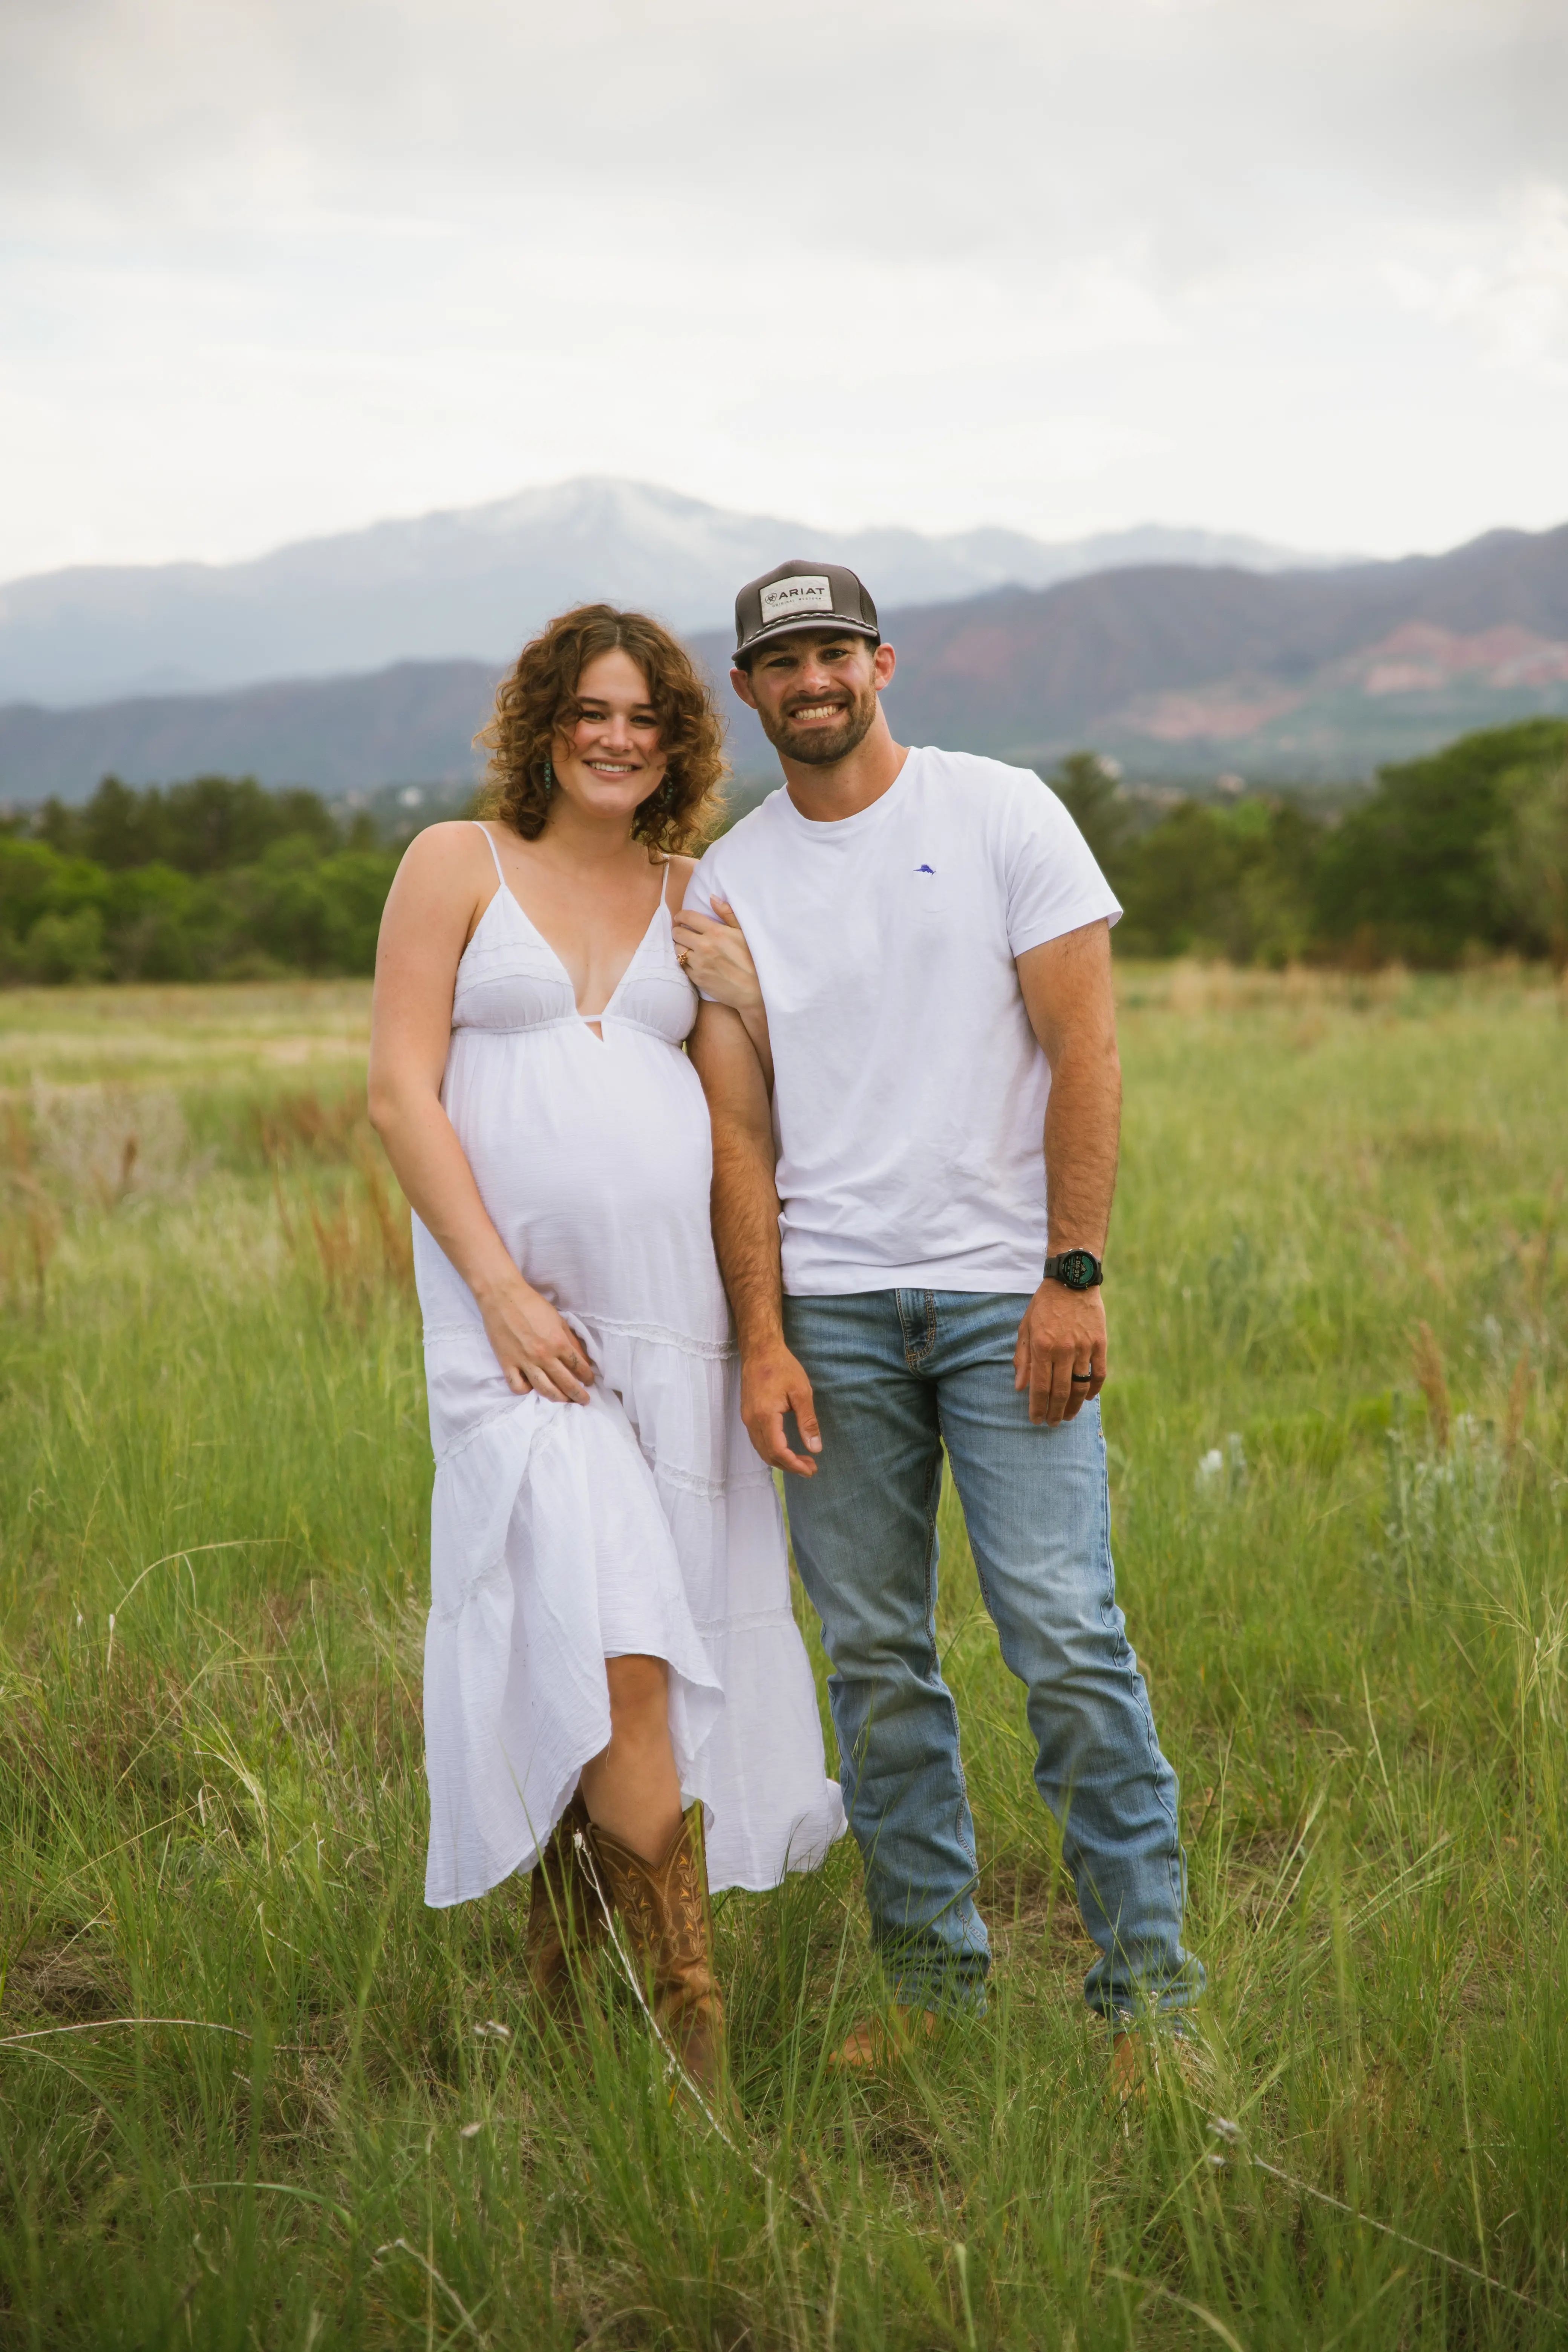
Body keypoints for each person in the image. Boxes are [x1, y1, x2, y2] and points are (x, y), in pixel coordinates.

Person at [675, 559, 1204, 2082]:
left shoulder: (999, 813)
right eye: (782, 663)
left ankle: (1146, 2002)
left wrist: (1071, 1272)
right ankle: (929, 1986)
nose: (813, 680)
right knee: (875, 1660)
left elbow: (1083, 1045)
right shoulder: (731, 880)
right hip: (831, 1316)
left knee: (1062, 1636)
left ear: (882, 662)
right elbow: (739, 1137)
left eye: (835, 650)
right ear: (748, 691)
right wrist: (763, 1339)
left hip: (1001, 1305)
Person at [368, 603, 844, 2101]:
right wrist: (501, 1289)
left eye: (644, 715)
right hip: (521, 1340)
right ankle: (687, 2029)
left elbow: (751, 1119)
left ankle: (566, 1981)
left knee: (617, 1638)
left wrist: (757, 1003)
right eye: (591, 708)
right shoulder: (454, 863)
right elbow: (399, 1092)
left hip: (676, 1333)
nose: (617, 735)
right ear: (545, 720)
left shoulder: (693, 892)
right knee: (623, 1646)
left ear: (676, 738)